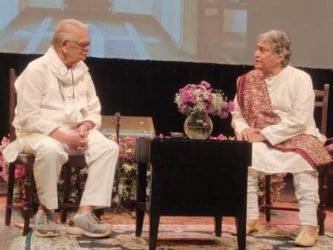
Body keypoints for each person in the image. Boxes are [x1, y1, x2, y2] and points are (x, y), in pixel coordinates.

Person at [3, 19, 119, 238]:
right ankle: (46, 212)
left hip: (73, 131)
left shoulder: (82, 70)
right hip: (37, 133)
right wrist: (64, 136)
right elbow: (29, 118)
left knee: (108, 148)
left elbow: (94, 109)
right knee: (51, 149)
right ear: (64, 44)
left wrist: (85, 125)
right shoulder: (37, 70)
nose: (88, 49)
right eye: (83, 44)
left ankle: (84, 214)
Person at [231, 30, 332, 247]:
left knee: (304, 160)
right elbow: (237, 114)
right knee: (244, 155)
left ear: (280, 55)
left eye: (263, 49)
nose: (256, 53)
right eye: (257, 48)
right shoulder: (247, 81)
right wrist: (245, 129)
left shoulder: (300, 79)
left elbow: (300, 119)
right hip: (259, 138)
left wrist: (265, 134)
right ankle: (250, 218)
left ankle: (308, 226)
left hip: (298, 135)